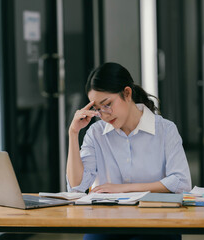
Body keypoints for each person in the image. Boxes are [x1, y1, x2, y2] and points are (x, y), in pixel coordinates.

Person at [66, 62, 191, 240]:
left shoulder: (165, 130)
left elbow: (180, 182)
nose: (104, 114)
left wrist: (123, 189)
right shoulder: (96, 133)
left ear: (127, 93)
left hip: (157, 220)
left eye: (107, 104)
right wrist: (73, 133)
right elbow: (76, 187)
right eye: (98, 109)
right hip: (109, 221)